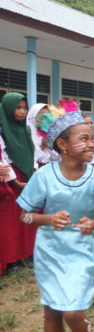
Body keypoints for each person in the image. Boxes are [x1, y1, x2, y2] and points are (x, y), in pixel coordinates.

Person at [16, 99, 94, 332]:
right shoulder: (44, 176)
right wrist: (49, 218)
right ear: (62, 145)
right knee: (51, 310)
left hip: (81, 251)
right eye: (83, 139)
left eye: (92, 138)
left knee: (72, 312)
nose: (92, 144)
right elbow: (25, 215)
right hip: (49, 252)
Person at [0, 92, 36, 274]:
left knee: (27, 216)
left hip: (27, 176)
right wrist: (16, 181)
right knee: (10, 222)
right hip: (11, 180)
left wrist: (33, 171)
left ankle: (27, 254)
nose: (22, 112)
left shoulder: (25, 129)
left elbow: (32, 151)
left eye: (24, 107)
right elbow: (3, 160)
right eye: (18, 108)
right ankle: (12, 261)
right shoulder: (2, 130)